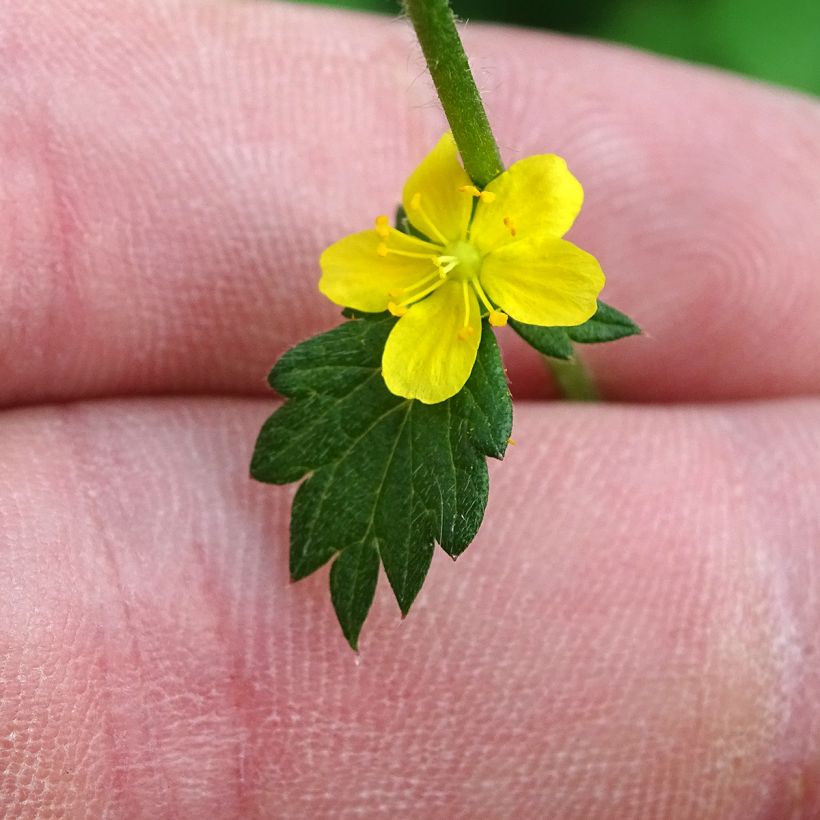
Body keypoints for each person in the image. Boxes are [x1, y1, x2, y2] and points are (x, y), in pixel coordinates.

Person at [1, 0, 818, 816]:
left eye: (466, 239)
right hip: (432, 318)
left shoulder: (528, 262)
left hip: (477, 305)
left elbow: (562, 275)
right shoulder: (420, 248)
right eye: (449, 239)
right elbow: (355, 274)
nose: (457, 249)